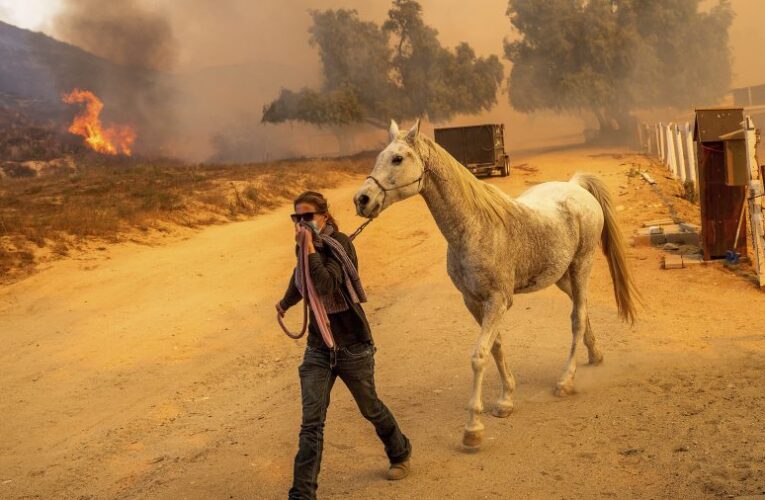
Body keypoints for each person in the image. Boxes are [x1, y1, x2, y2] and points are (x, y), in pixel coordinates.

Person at [276, 191, 412, 500]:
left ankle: (400, 452)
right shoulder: (303, 250)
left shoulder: (341, 245)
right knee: (311, 424)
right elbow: (301, 279)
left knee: (371, 409)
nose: (300, 224)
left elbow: (325, 284)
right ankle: (302, 494)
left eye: (307, 217)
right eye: (296, 218)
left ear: (323, 216)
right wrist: (285, 303)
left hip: (352, 346)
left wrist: (309, 247)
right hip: (318, 347)